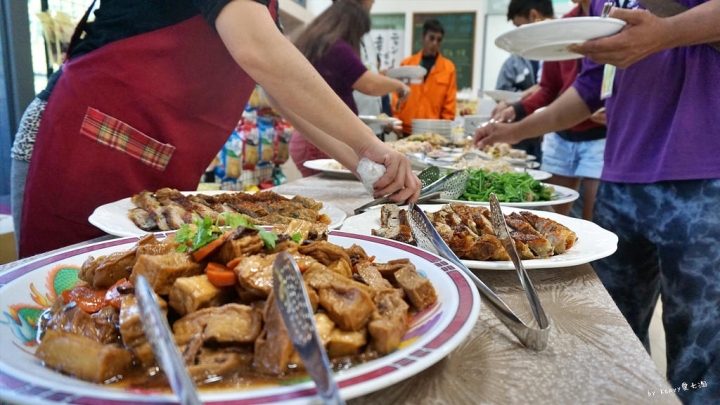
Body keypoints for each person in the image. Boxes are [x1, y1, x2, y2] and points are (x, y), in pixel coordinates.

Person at [11, 0, 421, 259]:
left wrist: (365, 166)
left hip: (150, 168)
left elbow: (283, 94)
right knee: (73, 305)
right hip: (80, 146)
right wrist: (369, 145)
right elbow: (258, 51)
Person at [476, 1, 720, 403]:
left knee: (699, 360)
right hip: (621, 176)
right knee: (609, 337)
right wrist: (516, 131)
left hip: (705, 176)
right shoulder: (597, 4)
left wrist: (664, 33)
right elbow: (589, 90)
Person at [491, 0, 607, 220]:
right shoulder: (564, 26)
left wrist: (616, 107)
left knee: (595, 223)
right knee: (551, 222)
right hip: (561, 137)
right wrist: (516, 109)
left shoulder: (611, 20)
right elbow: (548, 88)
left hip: (599, 138)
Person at [289, 0, 410, 177]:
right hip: (319, 141)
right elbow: (369, 84)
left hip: (314, 137)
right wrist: (399, 85)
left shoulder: (320, 43)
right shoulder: (336, 48)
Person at [492, 0, 557, 162]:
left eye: (520, 28)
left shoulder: (560, 44)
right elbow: (546, 89)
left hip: (564, 130)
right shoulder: (518, 58)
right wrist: (514, 107)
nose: (519, 34)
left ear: (534, 16)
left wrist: (515, 102)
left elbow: (550, 89)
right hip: (545, 132)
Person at [392, 19, 457, 136]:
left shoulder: (448, 68)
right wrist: (396, 121)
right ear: (422, 37)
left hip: (434, 133)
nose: (434, 43)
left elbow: (449, 103)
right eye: (431, 38)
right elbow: (397, 96)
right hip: (406, 130)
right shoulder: (407, 64)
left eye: (439, 40)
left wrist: (443, 130)